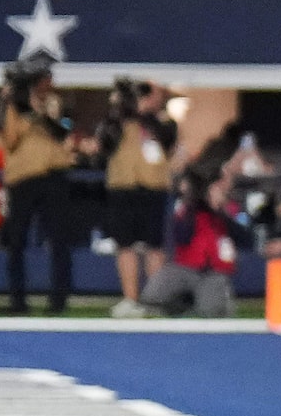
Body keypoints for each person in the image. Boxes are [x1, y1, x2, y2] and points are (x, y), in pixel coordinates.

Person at [0, 61, 76, 315]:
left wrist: (40, 113)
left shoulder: (56, 103)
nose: (48, 83)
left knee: (58, 239)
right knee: (17, 240)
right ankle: (17, 300)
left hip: (53, 176)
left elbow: (64, 130)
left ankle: (58, 300)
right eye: (44, 79)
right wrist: (17, 109)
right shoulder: (14, 107)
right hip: (23, 178)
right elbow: (10, 141)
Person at [102, 82, 177, 320]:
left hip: (153, 188)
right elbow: (105, 143)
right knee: (125, 244)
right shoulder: (118, 120)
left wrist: (143, 111)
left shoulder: (164, 121)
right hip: (123, 187)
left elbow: (167, 139)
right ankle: (130, 299)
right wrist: (120, 110)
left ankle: (154, 299)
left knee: (154, 246)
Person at [145, 171, 247, 318]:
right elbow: (181, 235)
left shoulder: (227, 214)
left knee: (213, 312)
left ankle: (193, 305)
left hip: (213, 273)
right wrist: (197, 204)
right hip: (185, 267)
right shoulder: (190, 211)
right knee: (153, 296)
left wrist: (221, 212)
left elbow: (244, 238)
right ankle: (180, 305)